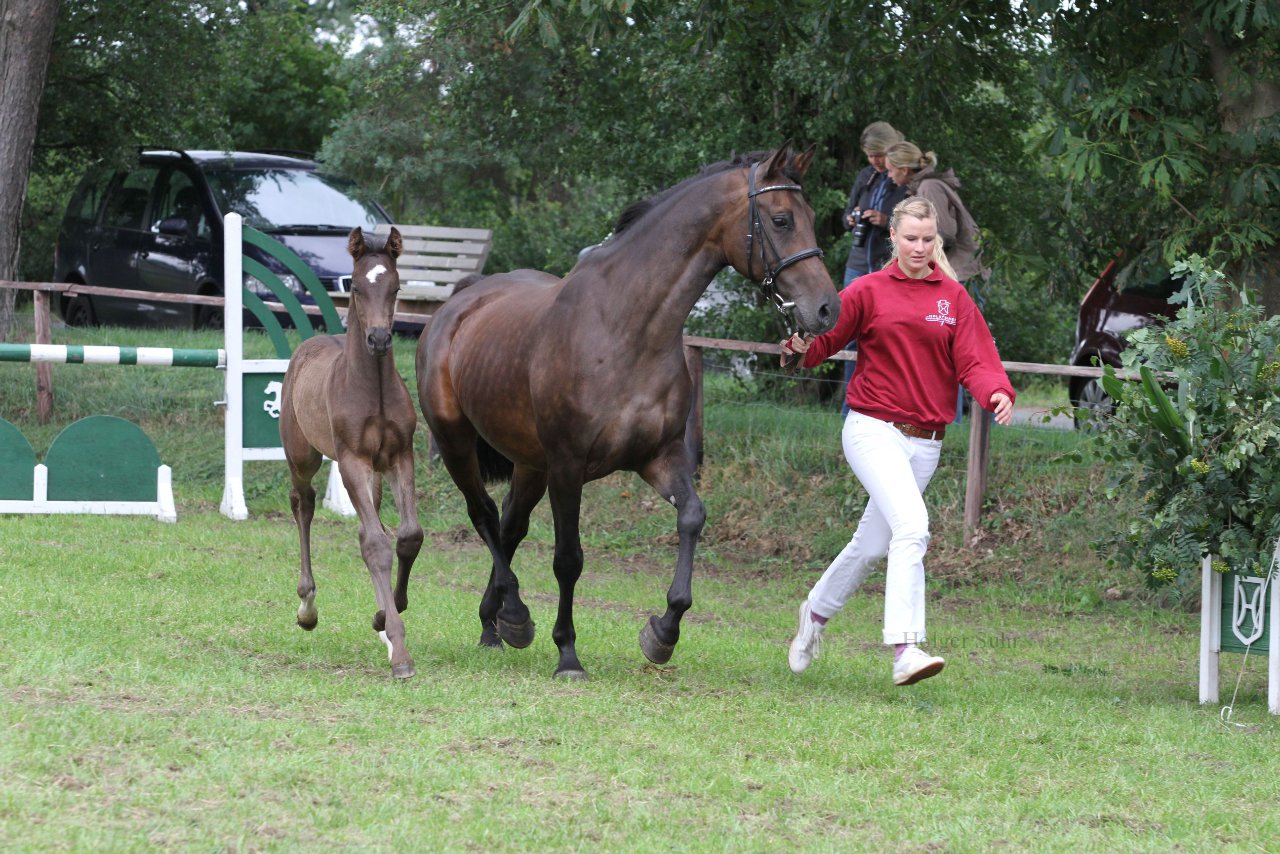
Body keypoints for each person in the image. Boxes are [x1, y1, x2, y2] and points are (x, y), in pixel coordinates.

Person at [779, 196, 1015, 687]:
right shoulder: (867, 290)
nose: (920, 247)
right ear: (894, 239)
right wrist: (802, 347)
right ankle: (905, 647)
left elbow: (976, 359)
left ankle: (814, 615)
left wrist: (995, 391)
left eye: (929, 239)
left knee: (870, 546)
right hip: (871, 429)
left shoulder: (952, 299)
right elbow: (825, 340)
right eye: (911, 238)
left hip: (925, 443)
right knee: (913, 527)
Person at [885, 140, 991, 422]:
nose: (888, 176)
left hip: (962, 276)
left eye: (891, 170)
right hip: (958, 273)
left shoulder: (929, 188)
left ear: (904, 169)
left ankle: (958, 421)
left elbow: (946, 232)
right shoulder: (924, 187)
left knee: (957, 353)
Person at [835, 122, 910, 414]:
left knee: (885, 334)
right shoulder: (865, 176)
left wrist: (885, 220)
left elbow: (912, 220)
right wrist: (852, 219)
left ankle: (884, 405)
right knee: (849, 333)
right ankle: (849, 406)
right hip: (856, 265)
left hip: (885, 264)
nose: (875, 162)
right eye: (870, 155)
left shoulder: (902, 177)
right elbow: (845, 215)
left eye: (879, 155)